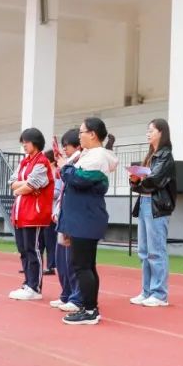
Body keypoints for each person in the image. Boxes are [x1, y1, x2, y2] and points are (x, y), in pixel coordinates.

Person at [56, 118, 118, 325]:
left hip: (85, 218)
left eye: (82, 132)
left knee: (83, 265)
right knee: (86, 265)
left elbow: (78, 179)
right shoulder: (90, 154)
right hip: (83, 217)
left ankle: (90, 310)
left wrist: (65, 167)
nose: (79, 135)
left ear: (92, 134)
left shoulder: (97, 156)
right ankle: (89, 307)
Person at [129, 118, 176, 307]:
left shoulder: (165, 156)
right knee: (144, 251)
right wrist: (135, 180)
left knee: (156, 251)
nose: (148, 133)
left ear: (161, 133)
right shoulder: (151, 155)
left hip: (157, 206)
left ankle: (159, 293)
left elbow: (155, 180)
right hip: (145, 204)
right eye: (147, 130)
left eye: (151, 130)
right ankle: (147, 291)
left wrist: (140, 179)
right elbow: (142, 185)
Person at [8, 128, 53, 301]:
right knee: (23, 249)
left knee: (32, 249)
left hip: (34, 213)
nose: (24, 145)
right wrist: (22, 186)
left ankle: (35, 287)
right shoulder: (24, 162)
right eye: (23, 142)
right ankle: (28, 283)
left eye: (26, 142)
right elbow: (11, 182)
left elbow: (33, 184)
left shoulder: (41, 162)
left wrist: (20, 188)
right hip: (20, 213)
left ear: (35, 142)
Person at [50, 129, 84, 313]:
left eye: (67, 146)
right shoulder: (67, 164)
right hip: (63, 214)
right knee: (61, 259)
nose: (64, 150)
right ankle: (66, 293)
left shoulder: (79, 163)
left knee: (72, 259)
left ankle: (76, 296)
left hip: (74, 216)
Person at [38, 149, 58, 276]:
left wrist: (43, 192)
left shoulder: (56, 173)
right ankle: (37, 265)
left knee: (50, 240)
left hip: (50, 212)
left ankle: (52, 266)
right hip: (42, 211)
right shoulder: (46, 172)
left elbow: (57, 192)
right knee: (40, 241)